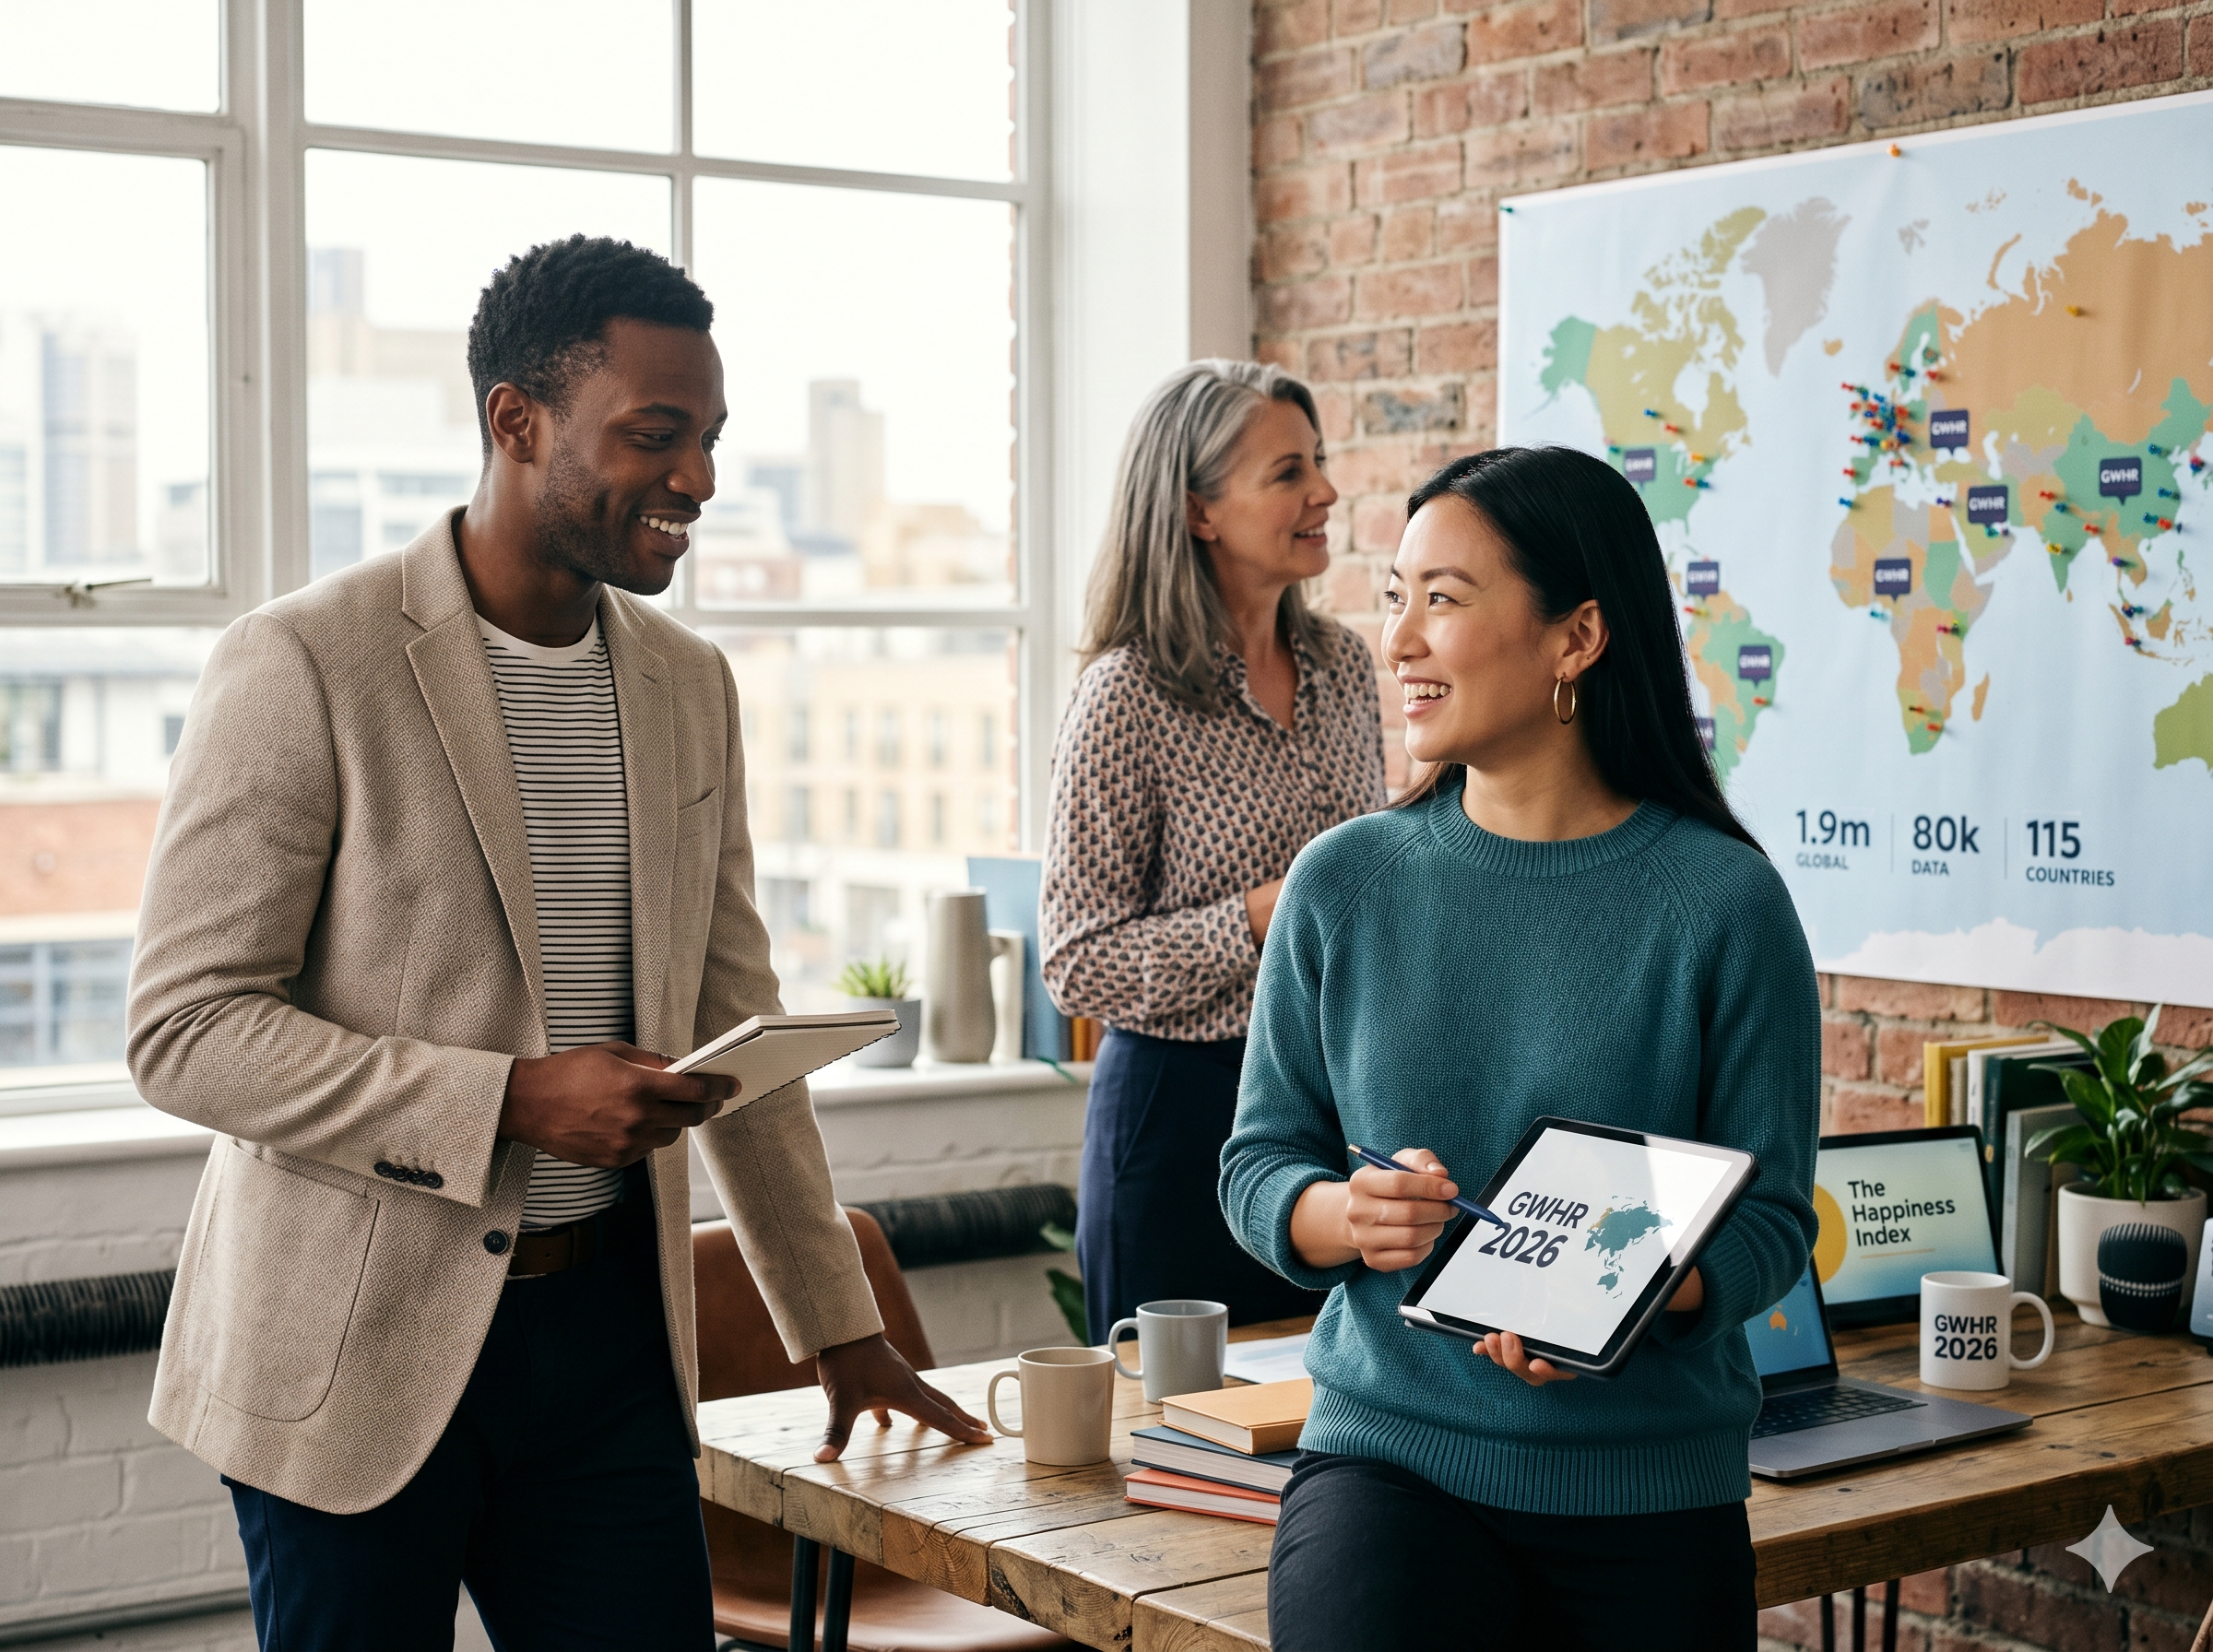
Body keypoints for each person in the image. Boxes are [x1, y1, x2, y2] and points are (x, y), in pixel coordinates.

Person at [125, 235, 987, 1652]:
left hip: (605, 1358)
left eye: (709, 438)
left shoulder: (688, 688)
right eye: (656, 435)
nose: (699, 480)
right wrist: (518, 1102)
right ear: (514, 422)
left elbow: (737, 1025)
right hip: (352, 1353)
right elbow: (187, 1029)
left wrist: (840, 1330)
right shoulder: (303, 664)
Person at [1219, 446, 1820, 1651]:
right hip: (1392, 1470)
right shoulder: (1344, 885)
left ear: (1576, 637)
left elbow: (1773, 1223)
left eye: (1442, 600)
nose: (1397, 644)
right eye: (1396, 597)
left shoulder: (1726, 906)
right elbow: (1258, 1168)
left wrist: (1640, 1296)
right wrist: (1344, 1217)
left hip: (1652, 1491)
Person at [1041, 360, 1387, 1341]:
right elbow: (1075, 962)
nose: (1324, 491)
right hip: (1178, 1119)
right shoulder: (1127, 695)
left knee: (1324, 1422)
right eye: (1288, 473)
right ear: (1199, 512)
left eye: (1317, 463)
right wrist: (1263, 915)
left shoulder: (1346, 666)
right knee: (1171, 1445)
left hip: (1326, 1110)